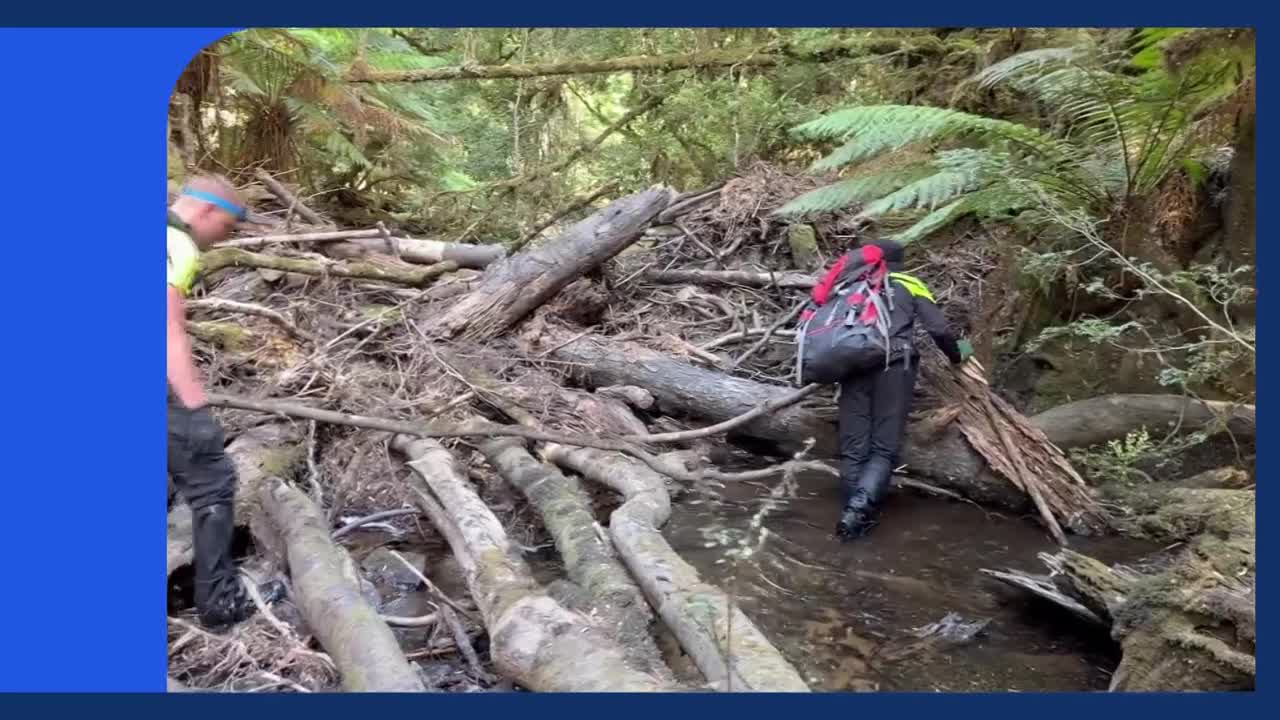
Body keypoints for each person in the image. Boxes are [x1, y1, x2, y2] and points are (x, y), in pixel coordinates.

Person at [803, 239, 972, 541]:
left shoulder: (853, 284)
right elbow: (938, 329)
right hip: (894, 368)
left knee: (854, 449)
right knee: (883, 448)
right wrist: (958, 353)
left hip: (852, 366)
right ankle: (857, 513)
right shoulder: (910, 283)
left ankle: (850, 518)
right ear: (902, 261)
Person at [167, 175, 271, 629]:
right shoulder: (176, 243)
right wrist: (195, 408)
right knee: (213, 481)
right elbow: (164, 329)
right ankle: (218, 603)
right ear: (207, 212)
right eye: (227, 227)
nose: (223, 239)